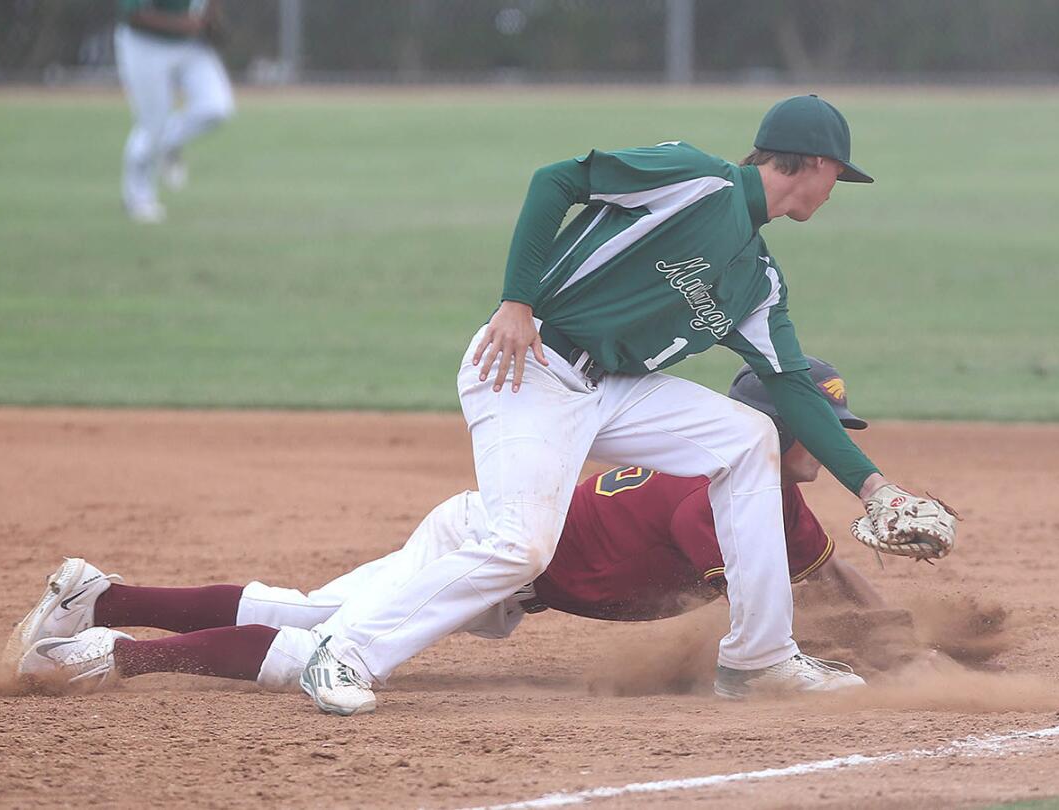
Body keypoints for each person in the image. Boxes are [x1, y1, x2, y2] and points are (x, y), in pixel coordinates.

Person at [290, 94, 941, 714]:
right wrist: (517, 301)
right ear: (817, 164)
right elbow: (557, 179)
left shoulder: (758, 279)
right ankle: (345, 652)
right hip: (531, 365)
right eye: (838, 177)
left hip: (610, 391)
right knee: (521, 547)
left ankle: (760, 660)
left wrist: (875, 489)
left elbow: (793, 388)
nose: (834, 192)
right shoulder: (697, 178)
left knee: (749, 440)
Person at [7, 360, 897, 711]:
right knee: (321, 636)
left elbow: (826, 577)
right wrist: (853, 653)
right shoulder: (704, 490)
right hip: (493, 548)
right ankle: (114, 653)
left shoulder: (762, 495)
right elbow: (767, 598)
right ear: (764, 425)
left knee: (312, 609)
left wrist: (897, 634)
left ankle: (100, 595)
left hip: (508, 564)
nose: (829, 445)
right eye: (818, 430)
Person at [114, 0, 234, 223]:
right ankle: (137, 198)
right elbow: (135, 15)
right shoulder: (181, 26)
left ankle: (167, 145)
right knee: (152, 124)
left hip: (191, 45)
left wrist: (212, 19)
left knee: (216, 107)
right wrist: (188, 25)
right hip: (145, 45)